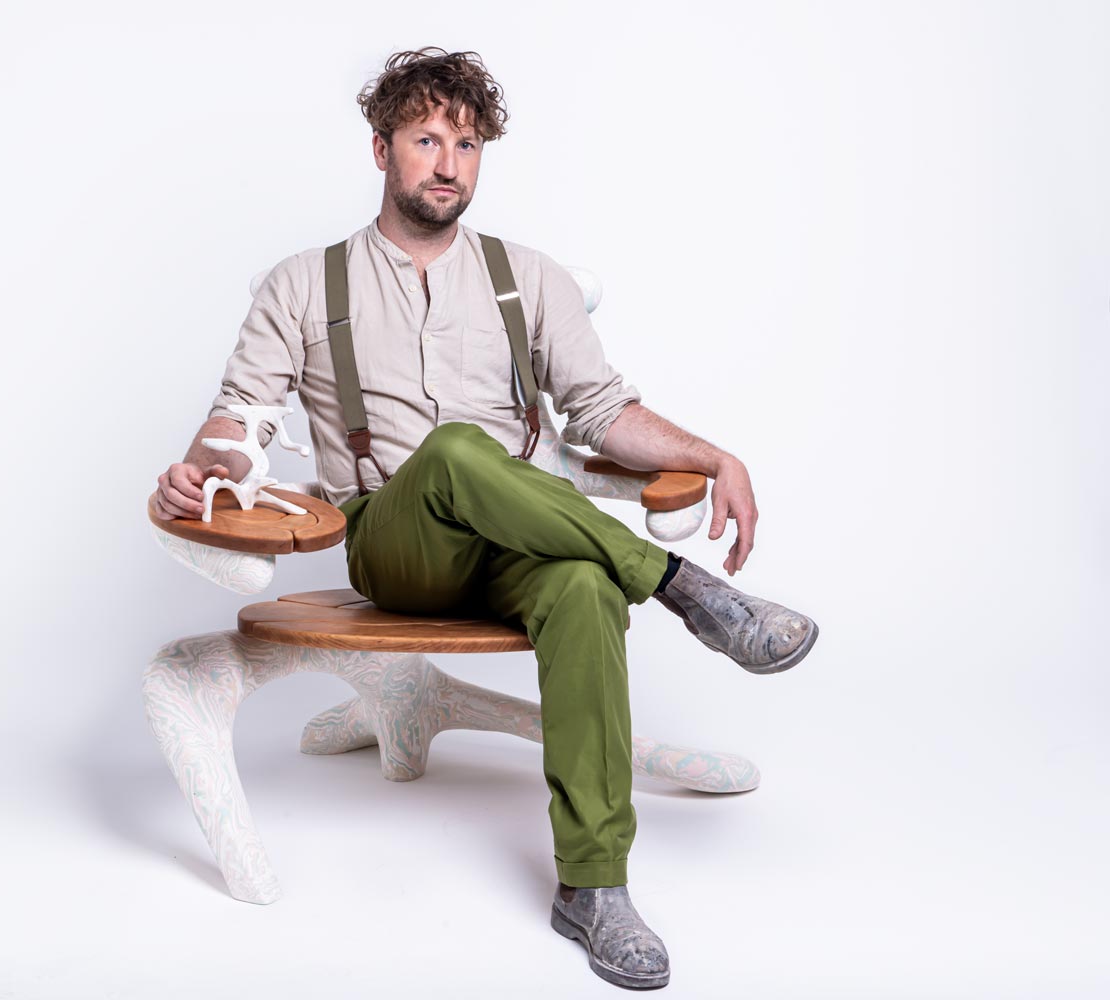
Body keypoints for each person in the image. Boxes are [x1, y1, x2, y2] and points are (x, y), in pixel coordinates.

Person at [152, 47, 818, 991]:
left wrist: (717, 456)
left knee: (583, 584)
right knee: (458, 451)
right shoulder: (304, 283)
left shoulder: (526, 278)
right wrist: (208, 469)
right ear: (381, 149)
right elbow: (240, 419)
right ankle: (685, 588)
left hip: (520, 539)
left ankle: (594, 885)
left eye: (466, 145)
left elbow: (602, 412)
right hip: (396, 544)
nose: (448, 164)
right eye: (427, 140)